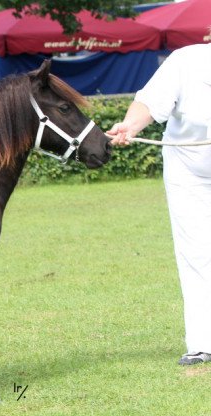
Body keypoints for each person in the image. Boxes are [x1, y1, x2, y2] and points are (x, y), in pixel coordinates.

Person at [107, 43, 211, 365]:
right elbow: (150, 102)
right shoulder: (186, 60)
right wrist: (130, 125)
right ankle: (202, 343)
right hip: (188, 171)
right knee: (196, 253)